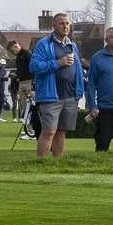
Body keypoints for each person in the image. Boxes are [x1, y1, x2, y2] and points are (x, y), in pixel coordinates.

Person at [29, 13, 86, 159]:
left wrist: (79, 89)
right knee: (49, 131)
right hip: (51, 96)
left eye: (67, 23)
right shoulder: (44, 44)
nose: (65, 26)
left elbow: (77, 69)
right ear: (53, 26)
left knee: (61, 131)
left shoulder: (72, 45)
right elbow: (34, 66)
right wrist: (58, 63)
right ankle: (41, 163)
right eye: (62, 23)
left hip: (70, 95)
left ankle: (57, 163)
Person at [9, 41, 35, 132]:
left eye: (13, 51)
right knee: (24, 107)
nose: (13, 53)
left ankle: (32, 130)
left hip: (29, 82)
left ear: (16, 46)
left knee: (31, 107)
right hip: (21, 82)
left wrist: (33, 85)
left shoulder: (27, 54)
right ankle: (28, 129)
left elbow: (33, 69)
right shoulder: (18, 58)